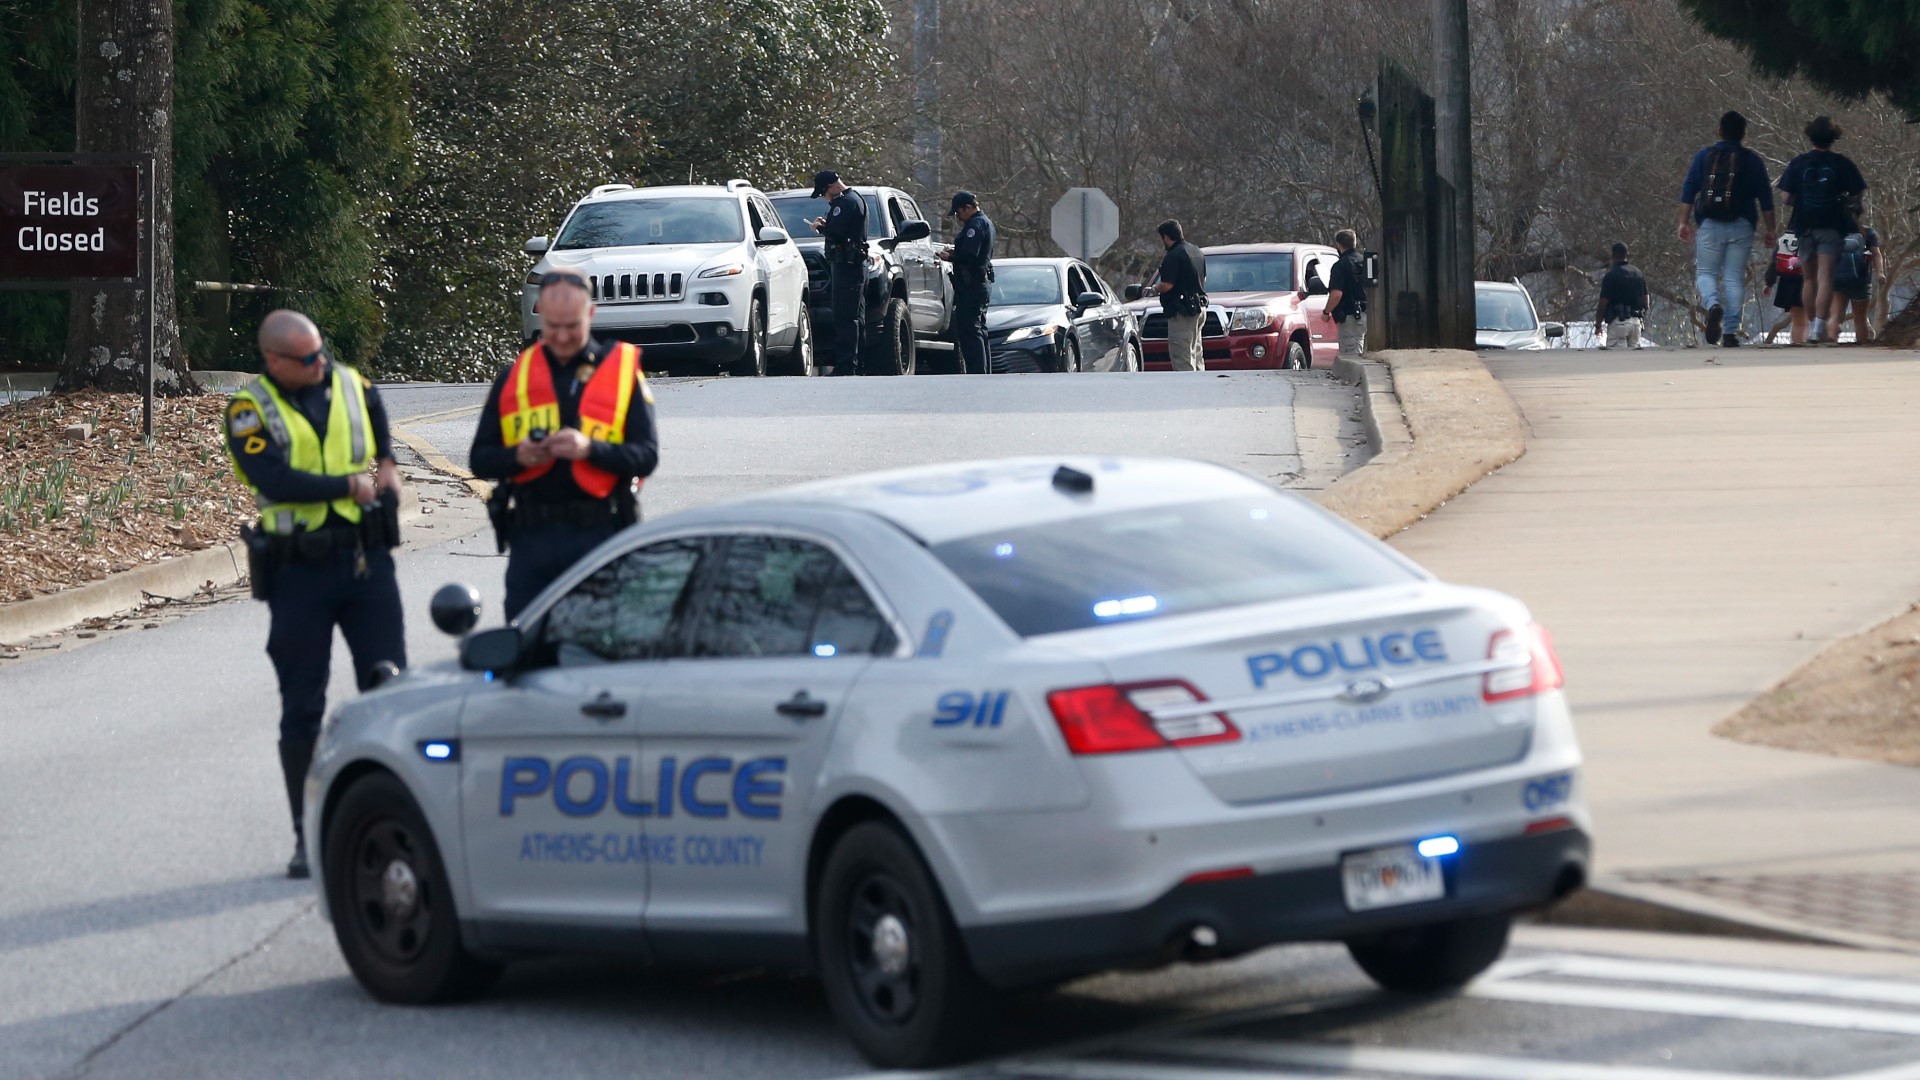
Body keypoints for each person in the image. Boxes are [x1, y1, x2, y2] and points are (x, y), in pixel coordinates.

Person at [225, 309, 404, 879]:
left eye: (321, 350)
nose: (320, 362)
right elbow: (272, 480)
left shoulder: (354, 385)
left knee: (389, 690)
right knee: (302, 706)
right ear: (274, 362)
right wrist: (347, 485)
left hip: (363, 562)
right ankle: (310, 837)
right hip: (298, 573)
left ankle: (398, 830)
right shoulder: (248, 410)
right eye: (306, 359)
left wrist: (391, 472)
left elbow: (381, 439)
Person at [470, 269, 659, 619]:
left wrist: (589, 450)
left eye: (571, 327)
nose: (560, 337)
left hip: (599, 534)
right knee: (526, 651)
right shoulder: (514, 377)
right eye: (552, 326)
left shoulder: (620, 372)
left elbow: (646, 456)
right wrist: (519, 456)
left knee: (594, 653)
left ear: (590, 313)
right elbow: (480, 459)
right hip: (532, 539)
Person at [1676, 110, 1776, 347]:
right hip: (1742, 225)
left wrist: (1683, 222)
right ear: (1744, 134)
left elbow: (1689, 190)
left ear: (1719, 131)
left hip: (1710, 224)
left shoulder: (1704, 157)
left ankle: (1713, 305)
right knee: (1733, 278)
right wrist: (1770, 229)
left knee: (1706, 273)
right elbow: (1766, 198)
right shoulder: (1752, 160)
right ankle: (1730, 332)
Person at [1778, 115, 1868, 344]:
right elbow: (1857, 195)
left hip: (1804, 225)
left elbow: (1785, 197)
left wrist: (1802, 201)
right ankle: (1819, 326)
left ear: (1810, 136)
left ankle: (1810, 325)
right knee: (1826, 276)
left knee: (1809, 279)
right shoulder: (1842, 163)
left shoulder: (1798, 163)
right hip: (1832, 226)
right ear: (1833, 137)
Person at [808, 169, 868, 375]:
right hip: (852, 265)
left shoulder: (845, 202)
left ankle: (846, 366)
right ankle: (857, 365)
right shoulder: (854, 199)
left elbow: (837, 233)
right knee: (855, 316)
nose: (825, 197)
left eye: (824, 192)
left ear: (833, 186)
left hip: (847, 265)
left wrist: (820, 227)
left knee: (844, 316)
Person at [939, 191, 994, 374]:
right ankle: (983, 372)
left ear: (968, 208)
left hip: (972, 285)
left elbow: (971, 256)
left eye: (959, 212)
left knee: (970, 331)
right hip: (978, 284)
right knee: (979, 329)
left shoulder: (976, 225)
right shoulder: (984, 222)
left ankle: (977, 372)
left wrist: (950, 257)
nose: (958, 217)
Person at [1150, 220, 1207, 371]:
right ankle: (1201, 387)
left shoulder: (1174, 255)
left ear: (1167, 237)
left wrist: (1155, 288)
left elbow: (1167, 285)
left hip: (1183, 312)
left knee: (1182, 355)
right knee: (1196, 353)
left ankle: (1188, 390)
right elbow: (1204, 279)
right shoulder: (1196, 251)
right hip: (1199, 307)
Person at [1321, 229, 1368, 358]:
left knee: (1351, 356)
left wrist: (1326, 312)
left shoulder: (1340, 266)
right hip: (1366, 316)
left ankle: (1354, 379)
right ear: (1355, 242)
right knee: (1363, 352)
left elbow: (1336, 294)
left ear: (1339, 245)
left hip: (1349, 317)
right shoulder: (1364, 262)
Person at [1594, 243, 1648, 350]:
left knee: (1617, 361)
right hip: (1636, 324)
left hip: (1618, 322)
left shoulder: (1611, 276)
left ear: (1613, 255)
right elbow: (1646, 302)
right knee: (1633, 361)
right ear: (1626, 255)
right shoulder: (1638, 274)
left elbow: (1603, 303)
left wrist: (1598, 325)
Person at [1836, 225, 1883, 343]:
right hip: (1861, 280)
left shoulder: (1833, 229)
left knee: (1836, 316)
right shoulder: (1867, 232)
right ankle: (1863, 346)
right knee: (1861, 318)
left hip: (1837, 280)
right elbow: (1876, 254)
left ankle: (1831, 344)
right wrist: (1881, 272)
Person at [1761, 232, 1808, 346]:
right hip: (1810, 279)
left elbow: (1775, 261)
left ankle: (1798, 347)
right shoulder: (1818, 233)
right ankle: (1803, 346)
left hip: (1789, 280)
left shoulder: (1785, 238)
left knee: (1798, 322)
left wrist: (1769, 282)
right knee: (1805, 322)